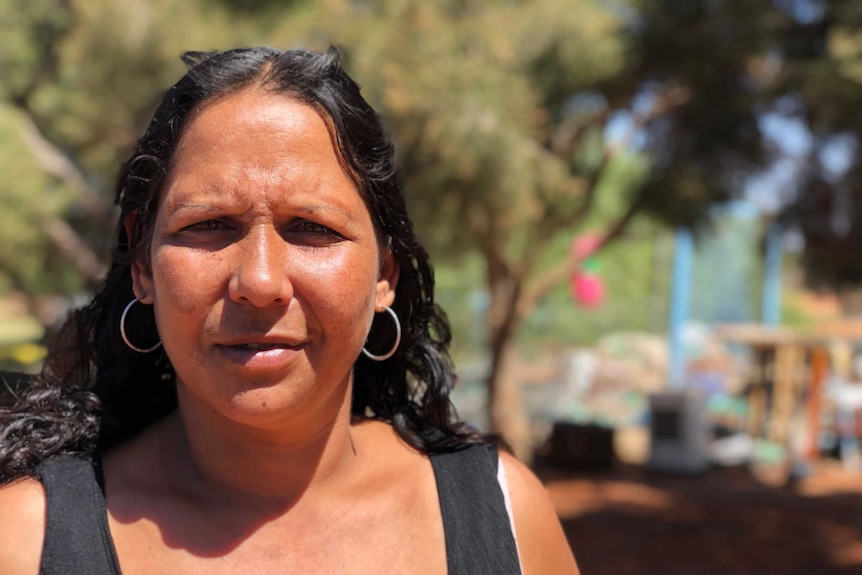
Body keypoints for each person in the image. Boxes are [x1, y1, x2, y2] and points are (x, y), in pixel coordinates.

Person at [0, 47, 578, 574]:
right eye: (207, 226)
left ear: (384, 274)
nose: (259, 281)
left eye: (311, 229)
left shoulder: (505, 517)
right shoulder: (26, 541)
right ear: (143, 265)